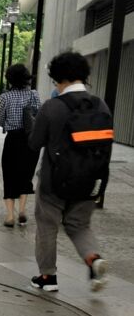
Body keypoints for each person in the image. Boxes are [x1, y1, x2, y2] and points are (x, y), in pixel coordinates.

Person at [29, 51, 110, 293]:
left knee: (47, 224)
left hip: (55, 182)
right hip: (91, 180)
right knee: (79, 224)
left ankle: (47, 277)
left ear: (58, 78)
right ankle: (93, 259)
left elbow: (34, 143)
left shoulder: (52, 107)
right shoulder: (101, 105)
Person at [0, 64, 41, 227]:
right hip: (30, 140)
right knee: (26, 175)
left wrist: (8, 122)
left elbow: (0, 120)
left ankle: (9, 216)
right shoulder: (33, 94)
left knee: (9, 175)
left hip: (12, 139)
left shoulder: (5, 97)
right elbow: (39, 114)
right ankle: (22, 210)